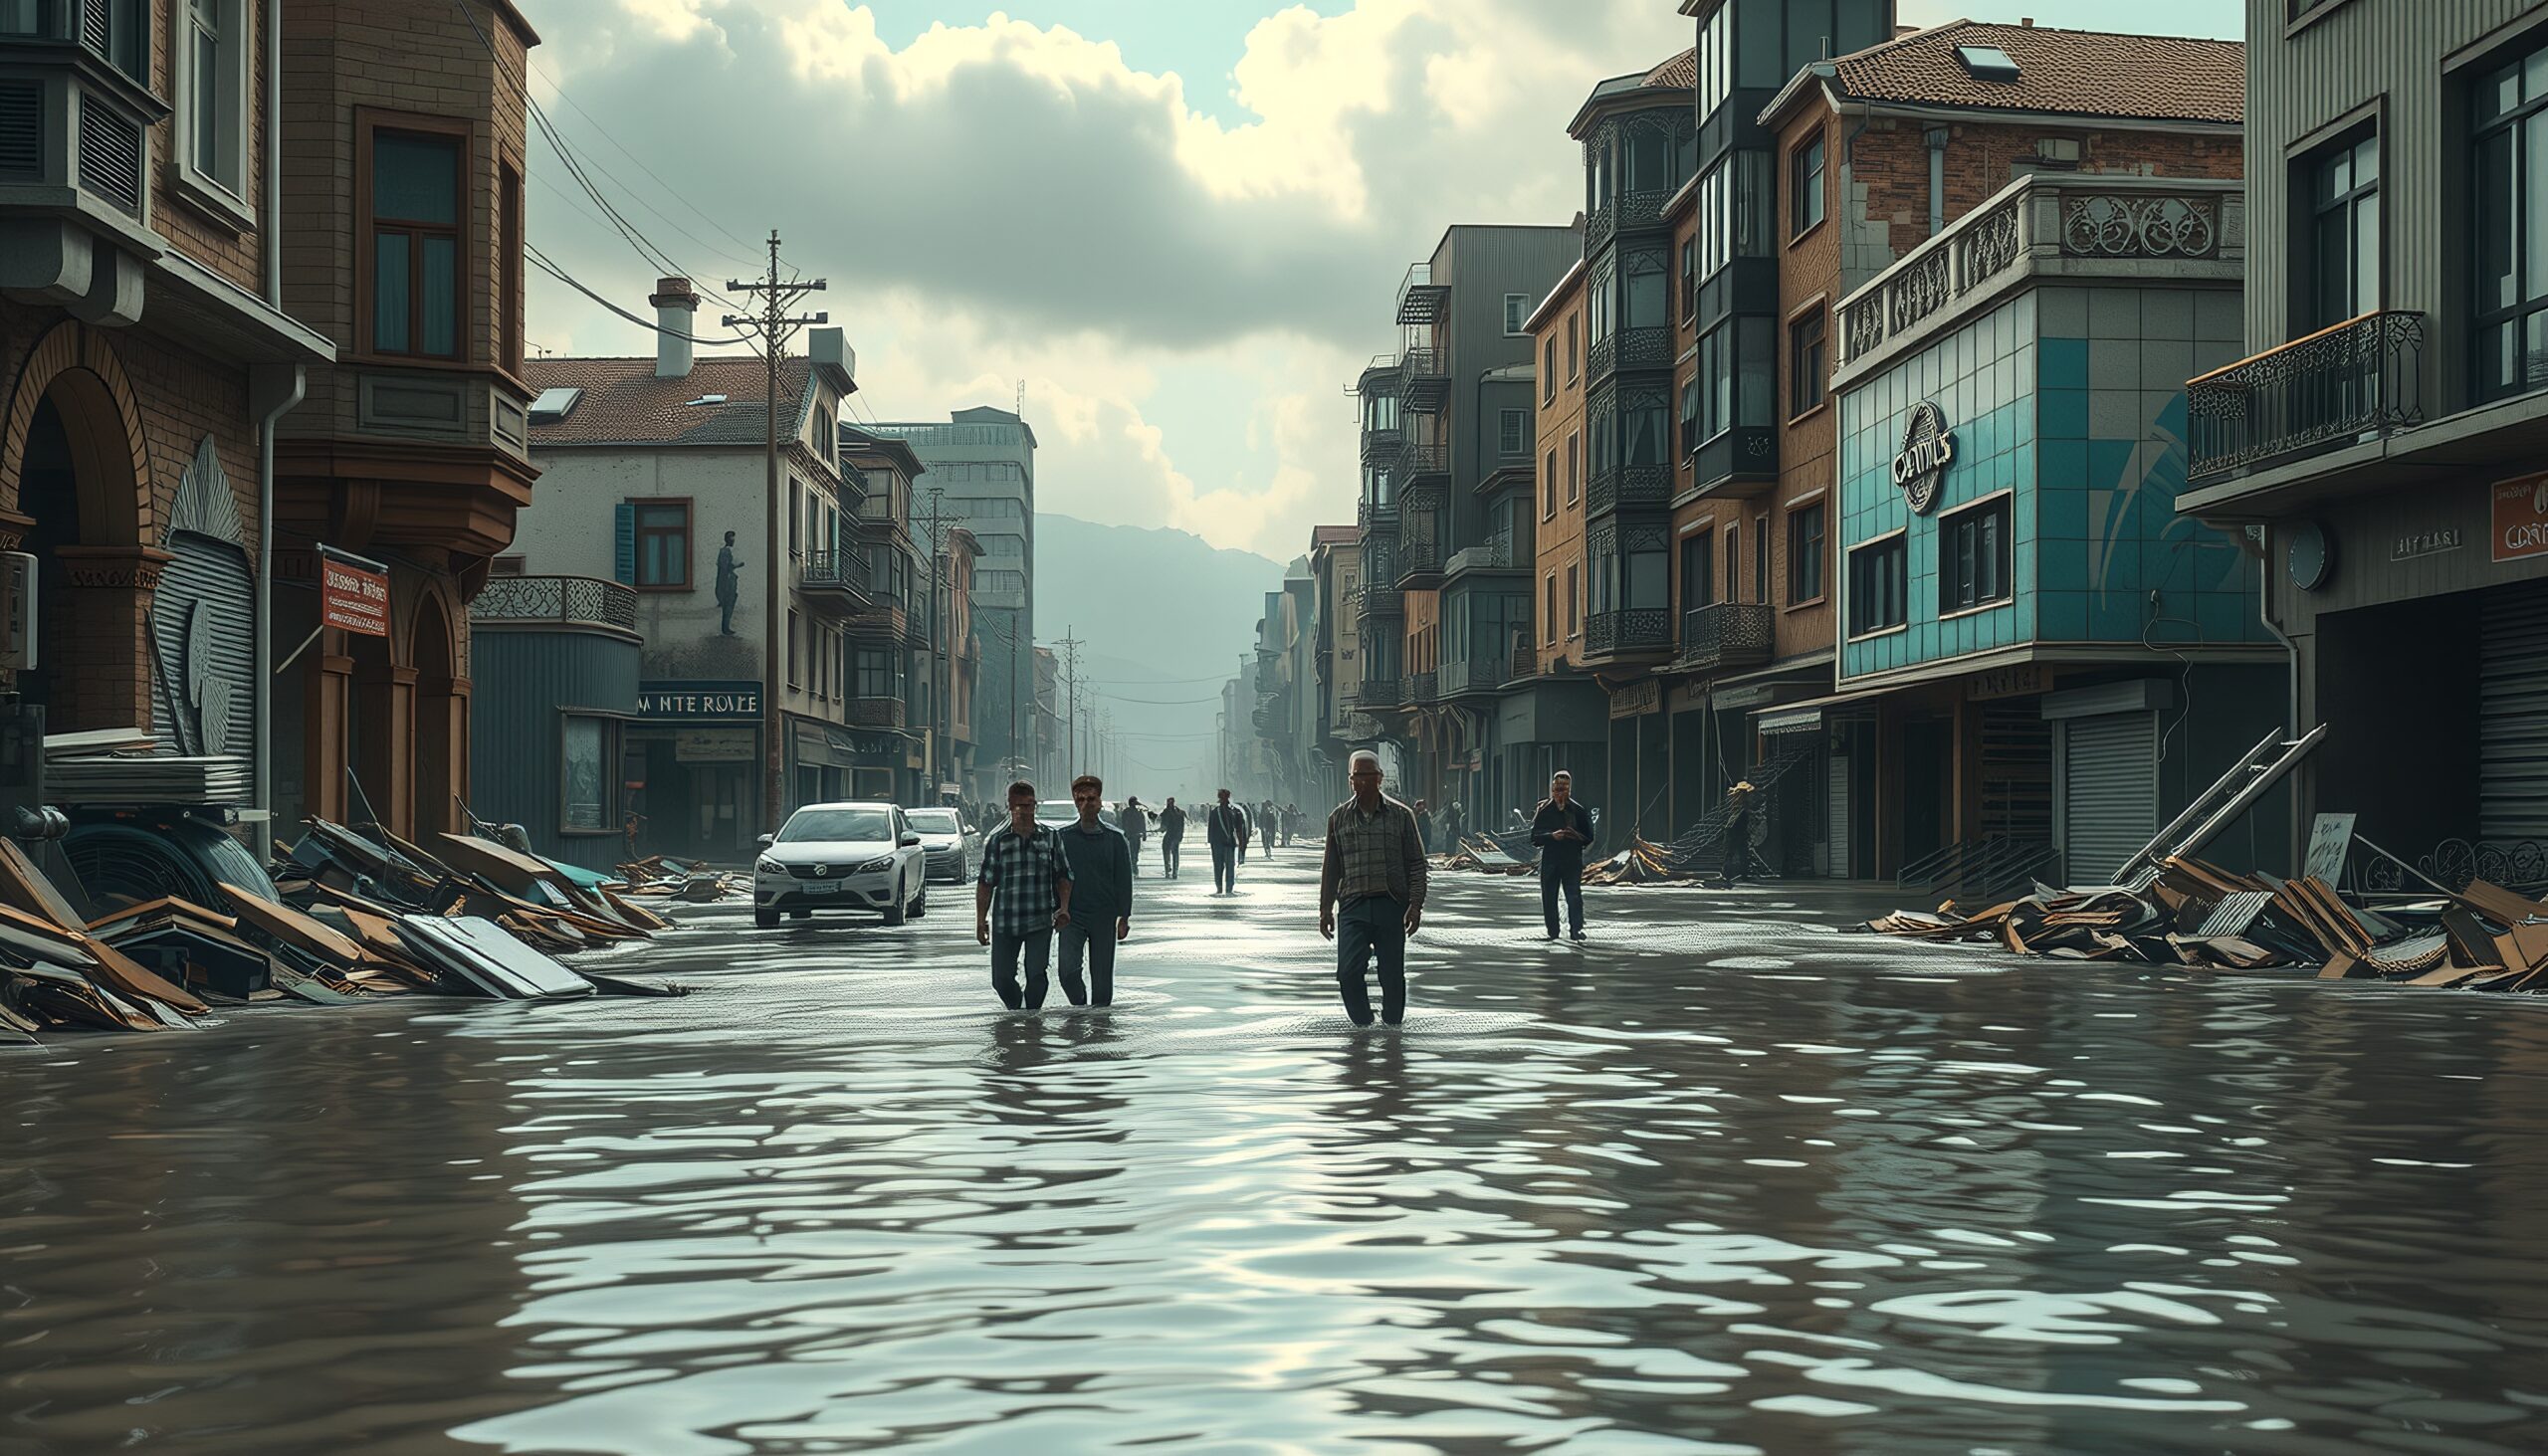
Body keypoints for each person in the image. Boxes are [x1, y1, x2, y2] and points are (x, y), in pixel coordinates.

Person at [1318, 749, 1428, 1027]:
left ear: (1380, 778)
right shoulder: (1338, 818)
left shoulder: (1401, 816)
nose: (1363, 782)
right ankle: (1364, 1024)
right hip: (1352, 906)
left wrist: (1415, 905)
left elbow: (1416, 863)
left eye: (1369, 776)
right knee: (1347, 973)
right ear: (1350, 781)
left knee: (1391, 976)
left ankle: (1392, 1031)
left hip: (1390, 904)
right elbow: (1331, 868)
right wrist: (1325, 909)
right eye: (1358, 777)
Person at [975, 780, 1074, 1009]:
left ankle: (1032, 1019)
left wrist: (1064, 908)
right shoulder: (998, 840)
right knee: (1001, 980)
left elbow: (1064, 875)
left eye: (1028, 805)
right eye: (1018, 806)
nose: (1023, 811)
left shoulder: (1049, 837)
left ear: (1035, 806)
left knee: (1037, 975)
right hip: (1005, 921)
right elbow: (986, 882)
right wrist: (981, 921)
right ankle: (1017, 1011)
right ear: (1009, 806)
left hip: (1040, 919)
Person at [1057, 775, 1134, 1007]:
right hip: (1072, 915)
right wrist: (1056, 909)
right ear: (1075, 803)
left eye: (1091, 799)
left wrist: (1124, 916)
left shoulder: (1115, 839)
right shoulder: (1063, 838)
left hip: (1104, 915)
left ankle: (1101, 1023)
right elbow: (1055, 876)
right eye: (1081, 799)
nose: (1086, 804)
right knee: (1067, 972)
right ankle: (1080, 1007)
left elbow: (1124, 879)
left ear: (1099, 802)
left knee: (1102, 981)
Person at [1531, 771, 1594, 942]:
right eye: (1557, 789)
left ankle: (1576, 929)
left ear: (1569, 790)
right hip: (1551, 859)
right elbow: (1534, 838)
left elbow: (1589, 836)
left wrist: (1575, 835)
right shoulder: (1545, 811)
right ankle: (1553, 931)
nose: (1560, 794)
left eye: (1563, 790)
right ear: (1552, 789)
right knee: (1549, 896)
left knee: (1574, 895)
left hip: (1571, 859)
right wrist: (1551, 836)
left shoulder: (1578, 811)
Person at [1207, 788, 1247, 895]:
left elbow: (1239, 829)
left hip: (1225, 844)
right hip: (1222, 844)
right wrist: (1241, 842)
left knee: (1225, 867)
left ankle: (1225, 888)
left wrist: (1241, 842)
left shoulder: (1231, 812)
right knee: (1222, 867)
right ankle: (1222, 887)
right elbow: (1211, 830)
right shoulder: (1225, 812)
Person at [1719, 780, 1756, 889]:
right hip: (1735, 829)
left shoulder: (1739, 800)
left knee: (1739, 853)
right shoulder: (1738, 800)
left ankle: (1738, 874)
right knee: (1733, 853)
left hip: (1737, 829)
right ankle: (1729, 875)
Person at [714, 529, 744, 637]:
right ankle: (725, 628)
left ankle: (726, 627)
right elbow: (725, 567)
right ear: (727, 539)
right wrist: (738, 565)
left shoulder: (725, 551)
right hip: (727, 582)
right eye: (731, 538)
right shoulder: (725, 552)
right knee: (728, 605)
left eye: (733, 538)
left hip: (727, 581)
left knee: (729, 605)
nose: (733, 540)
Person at [1159, 795, 1187, 880]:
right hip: (1176, 836)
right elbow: (1182, 826)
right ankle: (1174, 872)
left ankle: (1168, 870)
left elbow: (1164, 826)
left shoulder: (1166, 812)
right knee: (1175, 854)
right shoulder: (1179, 812)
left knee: (1167, 852)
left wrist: (1161, 829)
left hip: (1170, 836)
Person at [1120, 794, 1150, 877]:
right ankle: (1133, 868)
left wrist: (1144, 834)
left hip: (1136, 836)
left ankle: (1134, 866)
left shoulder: (1138, 812)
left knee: (1135, 852)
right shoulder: (1127, 812)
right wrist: (1126, 833)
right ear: (1131, 803)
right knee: (1132, 852)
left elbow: (1142, 824)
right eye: (1134, 802)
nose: (1136, 803)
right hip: (1131, 836)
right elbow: (1124, 823)